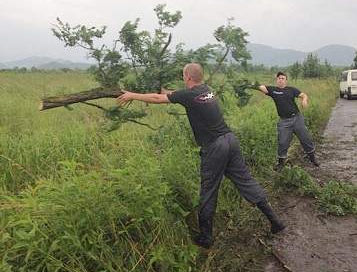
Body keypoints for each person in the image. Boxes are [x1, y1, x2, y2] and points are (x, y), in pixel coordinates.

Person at [117, 63, 285, 249]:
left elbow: (158, 97)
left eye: (183, 75)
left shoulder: (188, 95)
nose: (183, 78)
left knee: (208, 190)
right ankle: (275, 222)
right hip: (230, 140)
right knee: (246, 181)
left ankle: (206, 237)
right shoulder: (207, 91)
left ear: (188, 78)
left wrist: (132, 95)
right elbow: (177, 95)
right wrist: (168, 91)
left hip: (215, 147)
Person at [255, 71, 318, 170]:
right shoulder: (273, 90)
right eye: (279, 78)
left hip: (297, 118)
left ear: (286, 81)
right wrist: (250, 84)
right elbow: (261, 87)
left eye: (283, 78)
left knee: (305, 138)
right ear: (277, 80)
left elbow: (303, 95)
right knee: (282, 142)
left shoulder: (291, 90)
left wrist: (304, 100)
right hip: (284, 122)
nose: (280, 80)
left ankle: (312, 158)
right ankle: (280, 163)